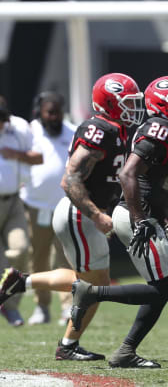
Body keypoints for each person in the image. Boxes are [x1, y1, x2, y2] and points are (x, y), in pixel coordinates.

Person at [0, 73, 144, 359]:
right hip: (80, 213)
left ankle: (23, 285)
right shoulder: (100, 129)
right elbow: (70, 179)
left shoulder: (118, 129)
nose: (134, 108)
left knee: (94, 281)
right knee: (95, 284)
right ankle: (65, 342)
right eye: (128, 102)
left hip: (85, 213)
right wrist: (96, 214)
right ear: (110, 103)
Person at [71, 76, 168, 368]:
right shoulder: (161, 128)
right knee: (161, 289)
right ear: (164, 105)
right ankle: (90, 294)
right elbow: (128, 174)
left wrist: (165, 218)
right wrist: (142, 219)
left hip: (140, 213)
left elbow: (152, 183)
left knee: (161, 288)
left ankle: (126, 350)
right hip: (133, 214)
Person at [20, 91, 76, 325]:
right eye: (49, 112)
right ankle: (42, 307)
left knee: (66, 257)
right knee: (39, 258)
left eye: (57, 112)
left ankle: (67, 308)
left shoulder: (73, 130)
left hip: (65, 205)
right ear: (39, 112)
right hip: (36, 205)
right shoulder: (29, 131)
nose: (53, 117)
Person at [0, 95, 41, 326]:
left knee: (21, 250)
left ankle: (10, 306)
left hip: (13, 200)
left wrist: (16, 155)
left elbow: (38, 157)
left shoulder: (19, 127)